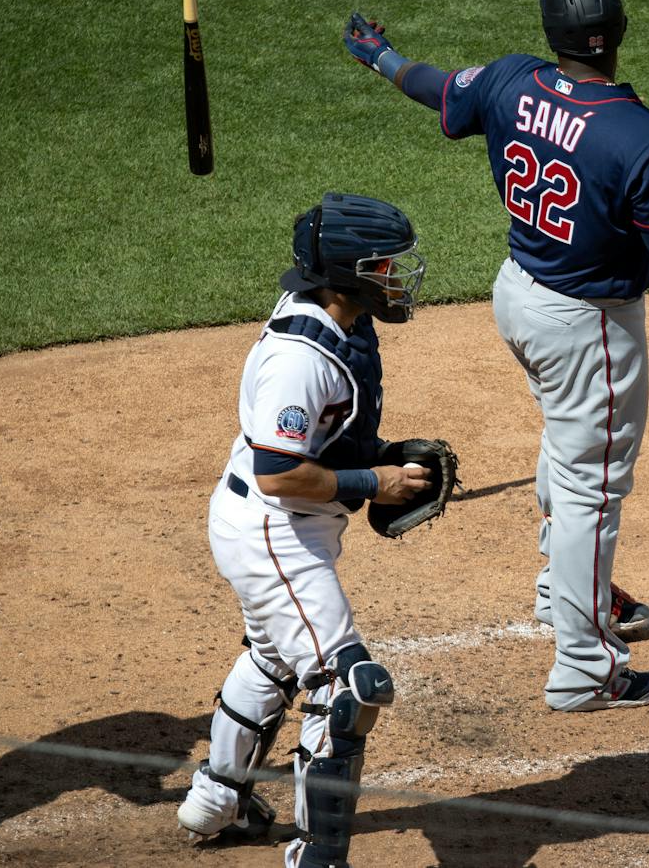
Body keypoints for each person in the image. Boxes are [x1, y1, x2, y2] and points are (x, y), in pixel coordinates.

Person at [342, 0, 649, 712]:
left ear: (549, 32)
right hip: (586, 325)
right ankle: (587, 668)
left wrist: (379, 55)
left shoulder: (511, 81)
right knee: (592, 486)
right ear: (620, 31)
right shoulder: (641, 138)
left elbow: (434, 86)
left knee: (568, 446)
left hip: (519, 297)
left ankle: (562, 589)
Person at [177, 193, 430, 868]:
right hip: (274, 530)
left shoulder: (342, 318)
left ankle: (215, 800)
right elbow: (281, 474)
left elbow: (323, 442)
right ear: (348, 273)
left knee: (272, 658)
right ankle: (316, 857)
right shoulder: (301, 359)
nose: (397, 277)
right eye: (384, 265)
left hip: (274, 523)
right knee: (348, 686)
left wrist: (382, 455)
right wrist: (375, 483)